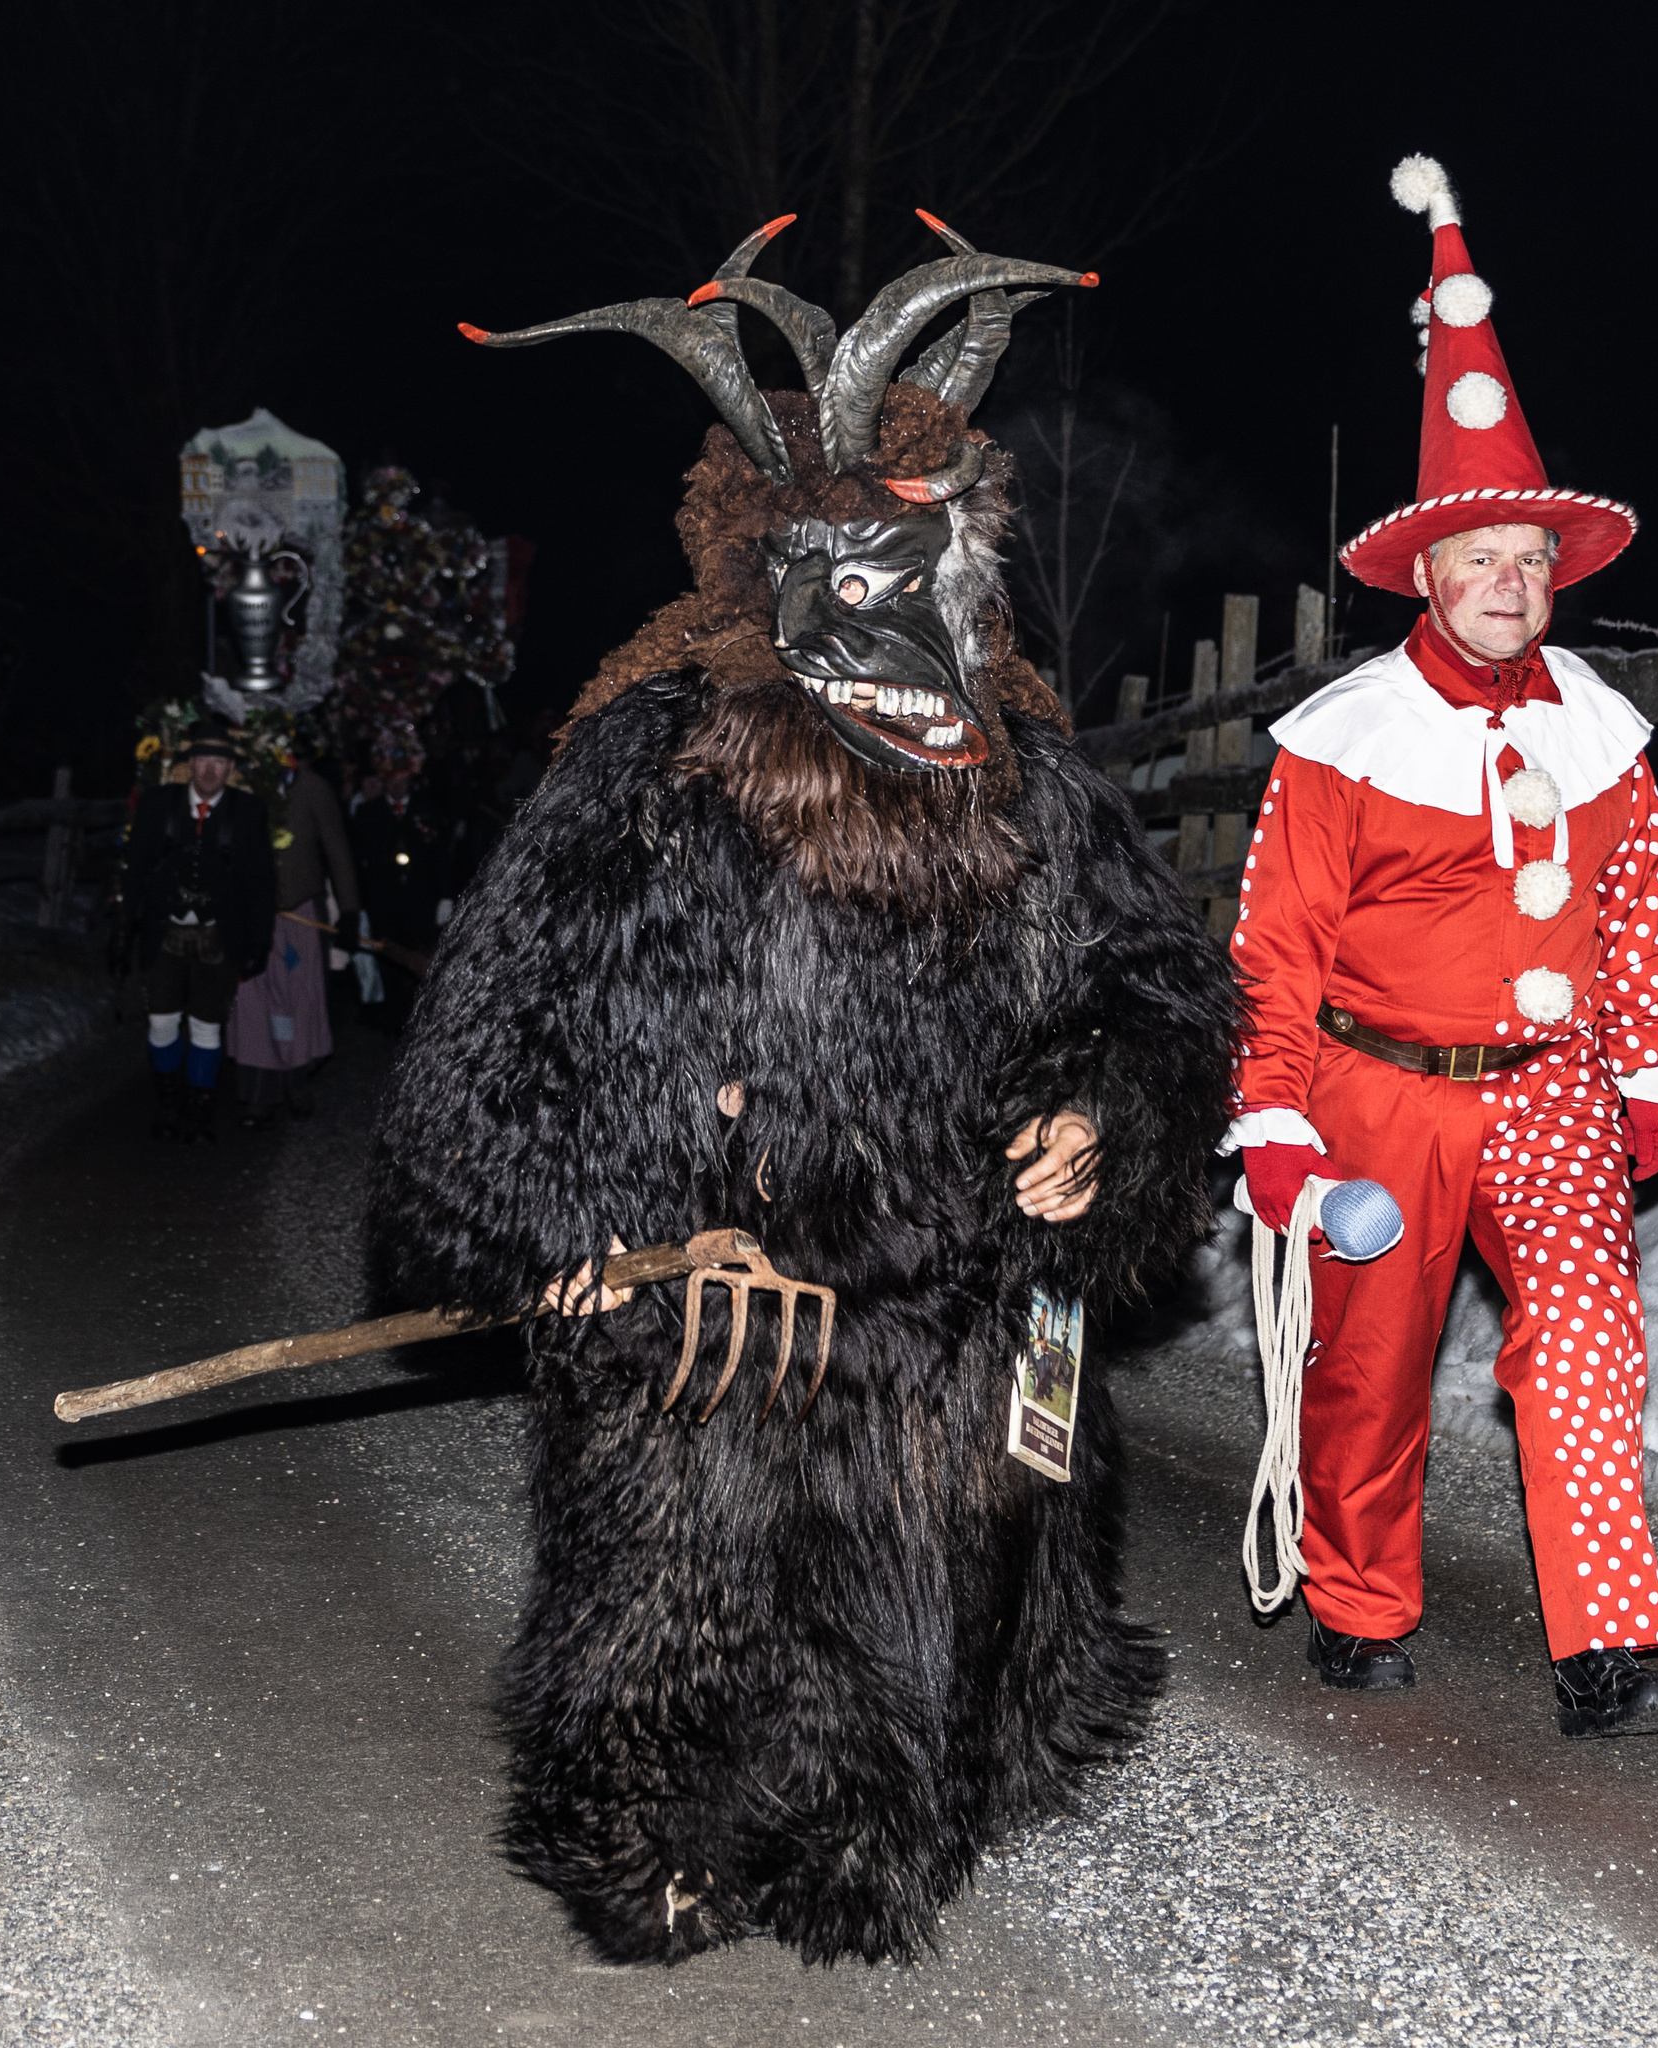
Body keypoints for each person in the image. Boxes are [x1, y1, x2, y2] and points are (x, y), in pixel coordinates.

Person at [366, 215, 1233, 1964]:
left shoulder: (1035, 787)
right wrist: (566, 1231)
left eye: (932, 574)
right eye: (851, 578)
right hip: (710, 1302)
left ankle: (868, 1819)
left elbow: (1160, 994)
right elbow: (496, 1040)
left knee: (926, 1614)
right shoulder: (651, 768)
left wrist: (1105, 1110)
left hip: (943, 1309)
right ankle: (648, 1835)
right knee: (676, 1594)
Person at [1226, 155, 1658, 1740]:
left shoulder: (1607, 732)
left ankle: (1607, 1650)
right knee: (1370, 1373)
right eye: (1481, 562)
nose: (1510, 588)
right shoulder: (1346, 739)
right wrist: (1276, 1120)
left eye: (1532, 565)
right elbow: (1276, 944)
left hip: (1552, 1088)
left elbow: (1634, 905)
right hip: (1379, 1095)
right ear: (1426, 572)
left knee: (1583, 1343)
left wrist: (1647, 1066)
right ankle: (1361, 1601)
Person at [121, 720, 276, 1142]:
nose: (210, 770)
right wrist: (122, 933)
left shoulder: (248, 812)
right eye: (203, 760)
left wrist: (259, 942)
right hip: (165, 931)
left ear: (231, 769)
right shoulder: (158, 804)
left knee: (207, 1027)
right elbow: (134, 871)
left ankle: (200, 1108)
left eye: (220, 762)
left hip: (216, 937)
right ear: (189, 764)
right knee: (162, 1023)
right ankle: (168, 1104)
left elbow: (261, 884)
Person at [226, 725, 363, 1126]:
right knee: (253, 1003)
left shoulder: (313, 788)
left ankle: (296, 1081)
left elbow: (337, 848)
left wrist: (350, 910)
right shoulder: (243, 787)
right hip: (255, 915)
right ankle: (257, 1094)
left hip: (302, 911)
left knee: (300, 1001)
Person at [348, 752, 449, 1029]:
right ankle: (392, 1019)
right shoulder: (369, 812)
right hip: (384, 900)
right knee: (388, 956)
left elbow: (440, 854)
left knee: (419, 956)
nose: (397, 787)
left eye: (402, 780)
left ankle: (421, 1017)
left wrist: (445, 896)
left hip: (419, 899)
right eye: (391, 781)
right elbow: (359, 860)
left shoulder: (427, 807)